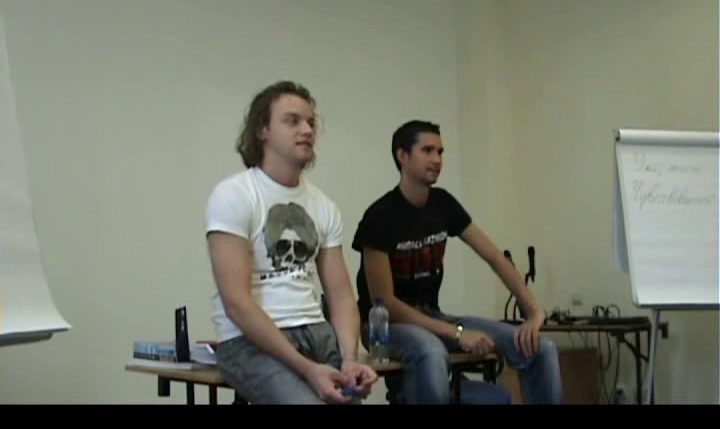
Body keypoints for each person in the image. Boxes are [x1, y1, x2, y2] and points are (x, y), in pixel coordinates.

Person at [352, 120, 564, 405]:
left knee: (541, 349)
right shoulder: (379, 217)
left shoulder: (443, 204)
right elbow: (386, 304)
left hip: (433, 316)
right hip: (384, 327)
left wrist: (534, 313)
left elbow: (495, 257)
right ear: (402, 155)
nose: (437, 159)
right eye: (427, 150)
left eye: (440, 152)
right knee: (431, 352)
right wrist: (458, 334)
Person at [206, 81, 378, 404]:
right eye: (292, 120)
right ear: (263, 130)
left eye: (311, 122)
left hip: (317, 331)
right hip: (249, 342)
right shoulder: (234, 195)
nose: (307, 130)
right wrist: (307, 369)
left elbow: (341, 296)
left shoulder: (323, 206)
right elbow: (237, 303)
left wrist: (350, 358)